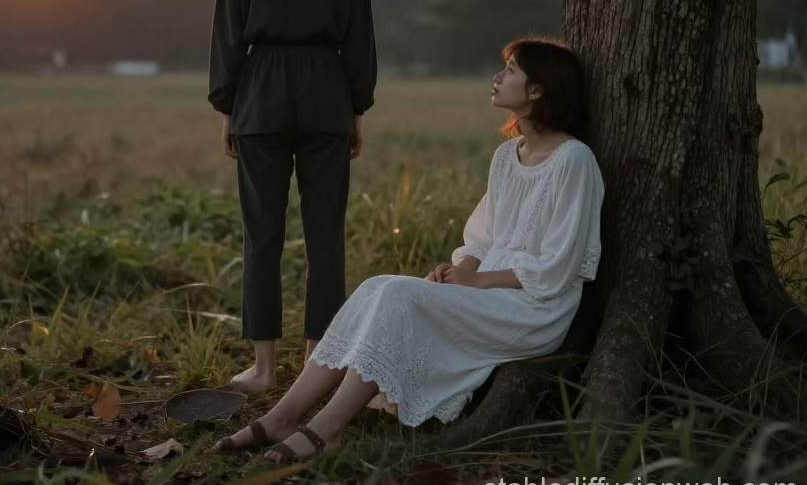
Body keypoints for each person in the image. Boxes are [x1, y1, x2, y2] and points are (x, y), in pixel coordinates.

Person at [213, 37, 603, 460]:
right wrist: (461, 270)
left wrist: (477, 279)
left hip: (534, 307)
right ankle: (282, 417)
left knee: (399, 295)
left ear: (537, 90)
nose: (496, 78)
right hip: (486, 290)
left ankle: (328, 427)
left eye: (509, 71)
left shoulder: (573, 161)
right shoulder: (508, 156)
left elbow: (560, 268)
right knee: (376, 287)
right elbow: (484, 237)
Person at [208, 0, 378, 392]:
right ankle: (315, 365)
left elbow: (230, 32)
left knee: (262, 235)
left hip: (261, 91)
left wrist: (229, 107)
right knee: (325, 235)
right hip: (327, 89)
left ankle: (261, 369)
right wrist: (356, 106)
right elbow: (358, 33)